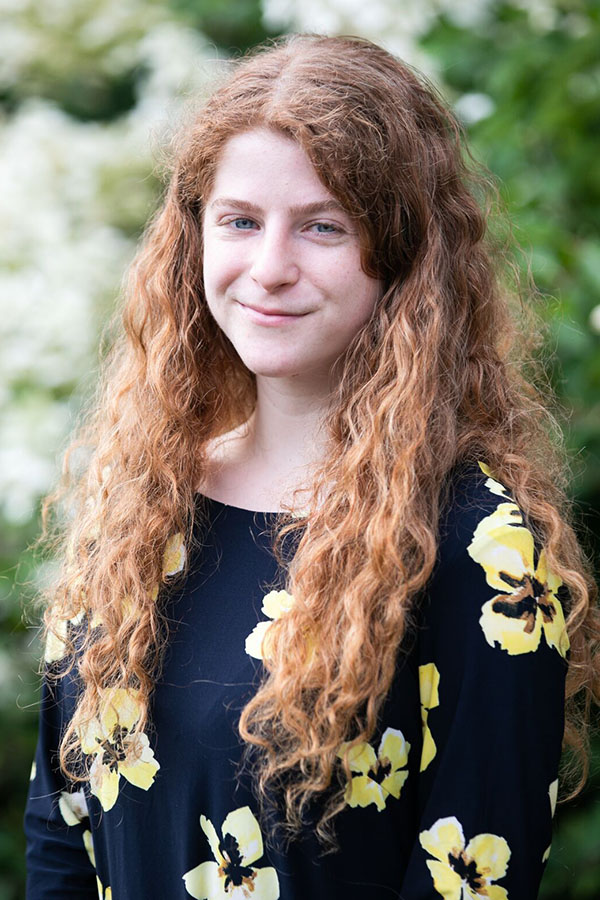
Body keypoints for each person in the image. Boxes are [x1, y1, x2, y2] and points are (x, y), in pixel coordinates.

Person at [24, 32, 599, 900]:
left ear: (404, 255)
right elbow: (62, 835)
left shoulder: (481, 551)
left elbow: (475, 880)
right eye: (240, 221)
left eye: (323, 226)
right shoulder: (142, 499)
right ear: (193, 237)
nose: (269, 269)